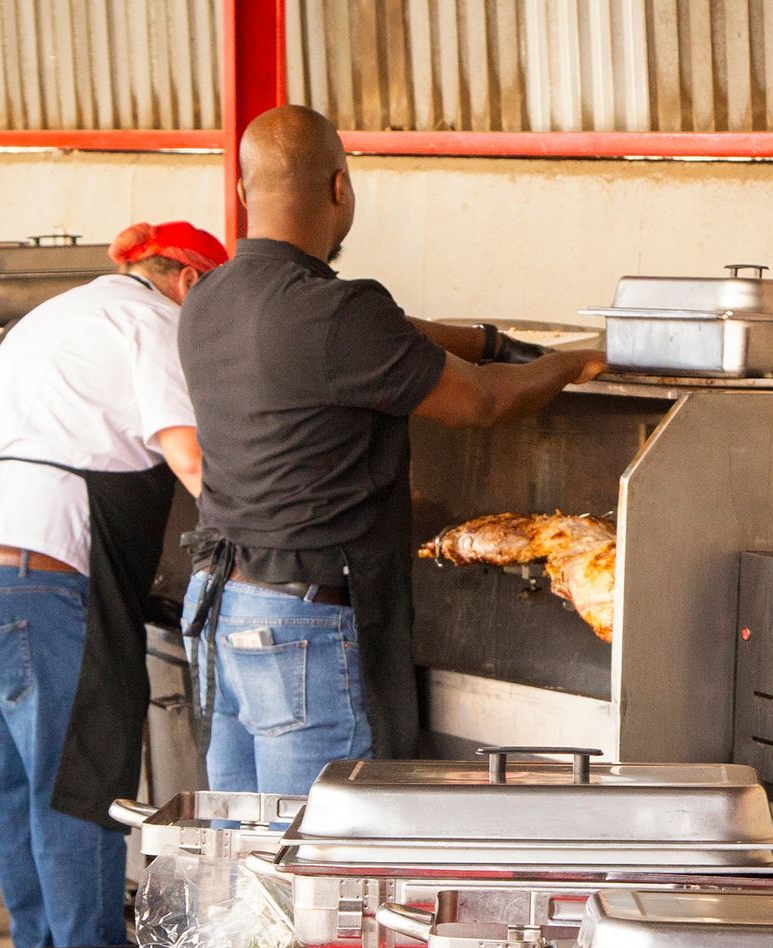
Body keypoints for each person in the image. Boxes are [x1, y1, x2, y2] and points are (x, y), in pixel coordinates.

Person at [178, 105, 606, 796]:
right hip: (301, 622)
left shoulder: (209, 297)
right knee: (318, 841)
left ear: (242, 190)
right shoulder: (336, 313)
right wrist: (572, 362)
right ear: (339, 187)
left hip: (220, 604)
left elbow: (393, 331)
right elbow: (484, 403)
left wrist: (491, 342)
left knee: (240, 837)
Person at [0, 221, 220, 948]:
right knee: (78, 782)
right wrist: (256, 544)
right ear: (189, 280)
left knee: (11, 785)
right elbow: (188, 456)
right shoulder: (153, 322)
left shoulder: (55, 314)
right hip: (43, 575)